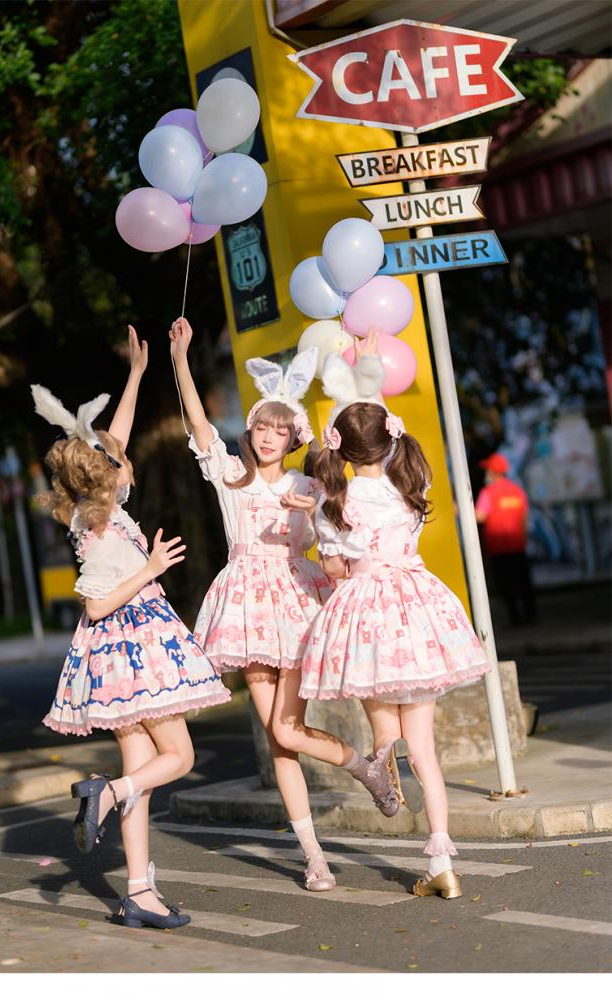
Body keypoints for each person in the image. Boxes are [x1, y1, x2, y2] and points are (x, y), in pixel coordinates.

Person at [170, 317, 400, 891]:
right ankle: (313, 856)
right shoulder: (230, 478)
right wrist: (180, 360)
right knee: (279, 740)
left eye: (280, 428)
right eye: (260, 426)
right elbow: (199, 425)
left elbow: (355, 490)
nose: (268, 436)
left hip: (296, 603)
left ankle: (363, 767)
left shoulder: (310, 484)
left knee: (288, 730)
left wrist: (308, 516)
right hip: (246, 610)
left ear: (295, 435)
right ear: (249, 431)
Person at [32, 326, 230, 931]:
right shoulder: (98, 529)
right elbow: (93, 606)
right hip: (132, 649)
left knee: (140, 771)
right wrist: (148, 568)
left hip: (124, 654)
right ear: (113, 476)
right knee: (178, 756)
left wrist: (141, 373)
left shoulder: (99, 505)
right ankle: (107, 793)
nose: (127, 455)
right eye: (121, 459)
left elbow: (114, 434)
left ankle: (139, 892)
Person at [299, 342, 490, 900]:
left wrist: (332, 555)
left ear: (340, 446)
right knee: (425, 749)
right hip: (417, 606)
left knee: (384, 724)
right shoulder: (411, 484)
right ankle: (442, 862)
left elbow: (333, 566)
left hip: (365, 611)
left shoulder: (334, 499)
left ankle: (382, 767)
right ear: (390, 439)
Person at [475, 453, 536, 626]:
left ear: (493, 472)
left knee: (506, 585)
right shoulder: (516, 490)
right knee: (524, 582)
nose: (486, 474)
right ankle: (531, 616)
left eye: (487, 470)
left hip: (498, 548)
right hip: (518, 545)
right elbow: (524, 517)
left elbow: (479, 516)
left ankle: (515, 619)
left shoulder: (488, 493)